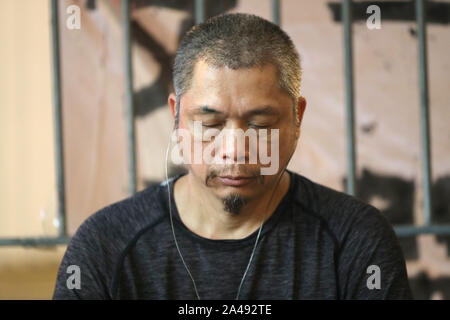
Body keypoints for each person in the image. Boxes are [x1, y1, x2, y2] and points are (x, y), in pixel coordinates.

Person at [53, 13, 412, 300]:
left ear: (297, 117)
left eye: (260, 124)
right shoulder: (106, 246)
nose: (234, 149)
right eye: (210, 123)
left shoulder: (356, 240)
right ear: (177, 116)